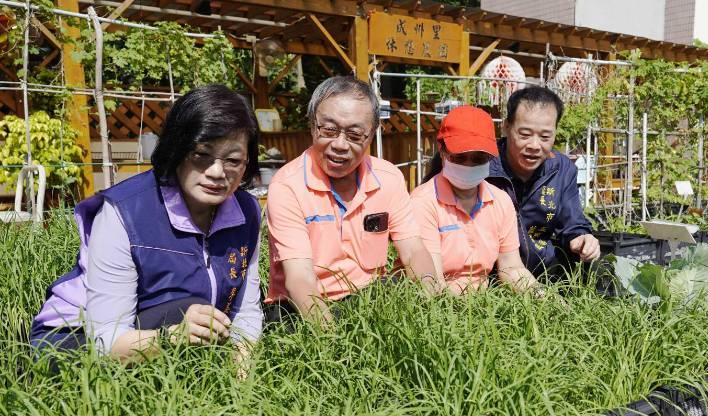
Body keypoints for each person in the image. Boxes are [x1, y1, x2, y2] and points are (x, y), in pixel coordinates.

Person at [30, 84, 263, 361]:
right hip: (74, 341)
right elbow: (105, 338)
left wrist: (241, 382)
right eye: (201, 155)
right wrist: (173, 337)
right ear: (177, 149)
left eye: (233, 160)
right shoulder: (124, 211)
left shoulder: (246, 210)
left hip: (167, 334)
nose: (216, 172)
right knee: (190, 308)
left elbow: (244, 312)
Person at [265, 76, 439, 323]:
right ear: (312, 125)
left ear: (371, 135)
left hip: (370, 296)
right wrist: (334, 343)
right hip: (300, 306)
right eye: (329, 130)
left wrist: (431, 301)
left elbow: (413, 250)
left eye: (355, 134)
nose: (339, 144)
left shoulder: (388, 178)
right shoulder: (287, 186)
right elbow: (299, 279)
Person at [411, 106, 539, 295]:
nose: (469, 165)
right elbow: (431, 283)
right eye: (460, 157)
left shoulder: (500, 201)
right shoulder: (423, 202)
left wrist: (541, 296)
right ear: (442, 150)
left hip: (483, 300)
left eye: (478, 158)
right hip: (438, 305)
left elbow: (511, 267)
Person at [486, 86, 600, 277]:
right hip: (484, 277)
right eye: (524, 134)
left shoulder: (562, 170)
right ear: (506, 127)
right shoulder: (483, 163)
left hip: (542, 275)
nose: (534, 145)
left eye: (545, 137)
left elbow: (573, 222)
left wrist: (583, 238)